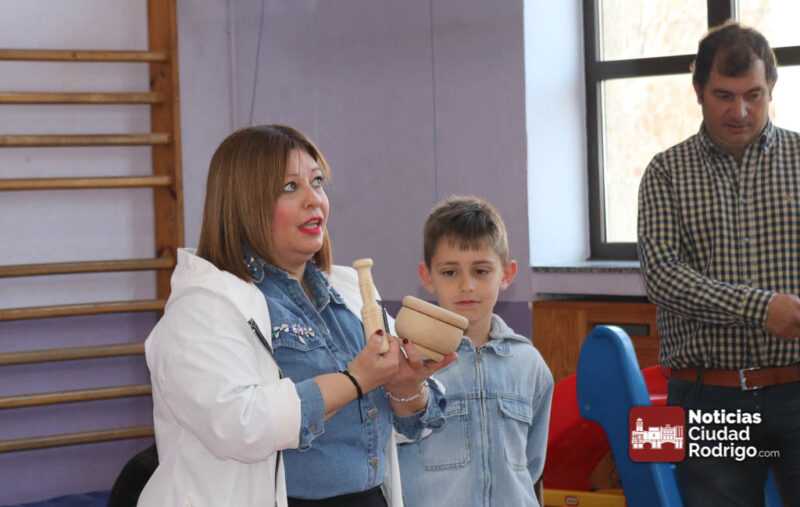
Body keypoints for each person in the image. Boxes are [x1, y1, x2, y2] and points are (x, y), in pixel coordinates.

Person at [138, 125, 455, 507]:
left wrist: (404, 386)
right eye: (290, 187)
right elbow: (240, 425)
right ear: (244, 204)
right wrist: (355, 380)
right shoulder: (202, 307)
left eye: (317, 182)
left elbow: (402, 428)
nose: (314, 200)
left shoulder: (351, 292)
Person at [638, 21, 800, 507]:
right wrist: (761, 308)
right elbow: (662, 276)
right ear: (698, 91)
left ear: (771, 88)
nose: (740, 111)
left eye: (754, 95)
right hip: (710, 399)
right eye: (724, 96)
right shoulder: (665, 172)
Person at [397, 196, 554, 507]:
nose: (467, 285)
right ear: (427, 276)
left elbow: (532, 464)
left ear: (506, 274)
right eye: (450, 272)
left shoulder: (529, 364)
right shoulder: (410, 362)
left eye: (481, 271)